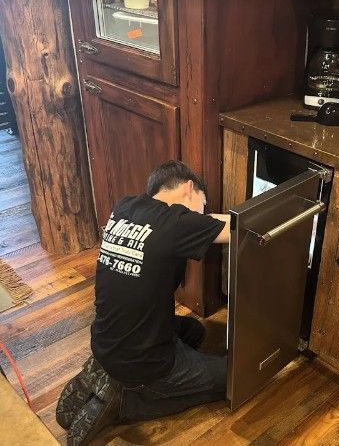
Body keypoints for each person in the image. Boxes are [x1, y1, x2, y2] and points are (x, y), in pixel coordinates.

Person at [56, 160, 230, 446]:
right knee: (230, 377)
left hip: (106, 341)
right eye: (204, 204)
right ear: (189, 189)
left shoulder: (125, 207)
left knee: (194, 332)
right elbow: (237, 227)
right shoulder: (176, 222)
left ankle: (102, 371)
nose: (204, 214)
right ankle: (124, 399)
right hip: (145, 364)